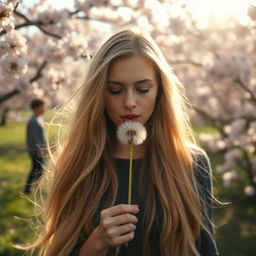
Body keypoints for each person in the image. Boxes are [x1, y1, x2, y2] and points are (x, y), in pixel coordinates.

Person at [20, 28, 219, 255]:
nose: (130, 102)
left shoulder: (191, 163)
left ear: (160, 91)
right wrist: (95, 244)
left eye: (143, 89)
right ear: (99, 94)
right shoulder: (78, 163)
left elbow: (206, 249)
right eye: (115, 90)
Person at [23, 99, 46, 194]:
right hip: (36, 151)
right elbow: (35, 137)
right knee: (36, 170)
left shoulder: (38, 118)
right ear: (36, 107)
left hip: (38, 150)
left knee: (36, 169)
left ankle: (33, 188)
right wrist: (40, 150)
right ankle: (32, 189)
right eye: (42, 106)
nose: (44, 109)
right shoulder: (34, 121)